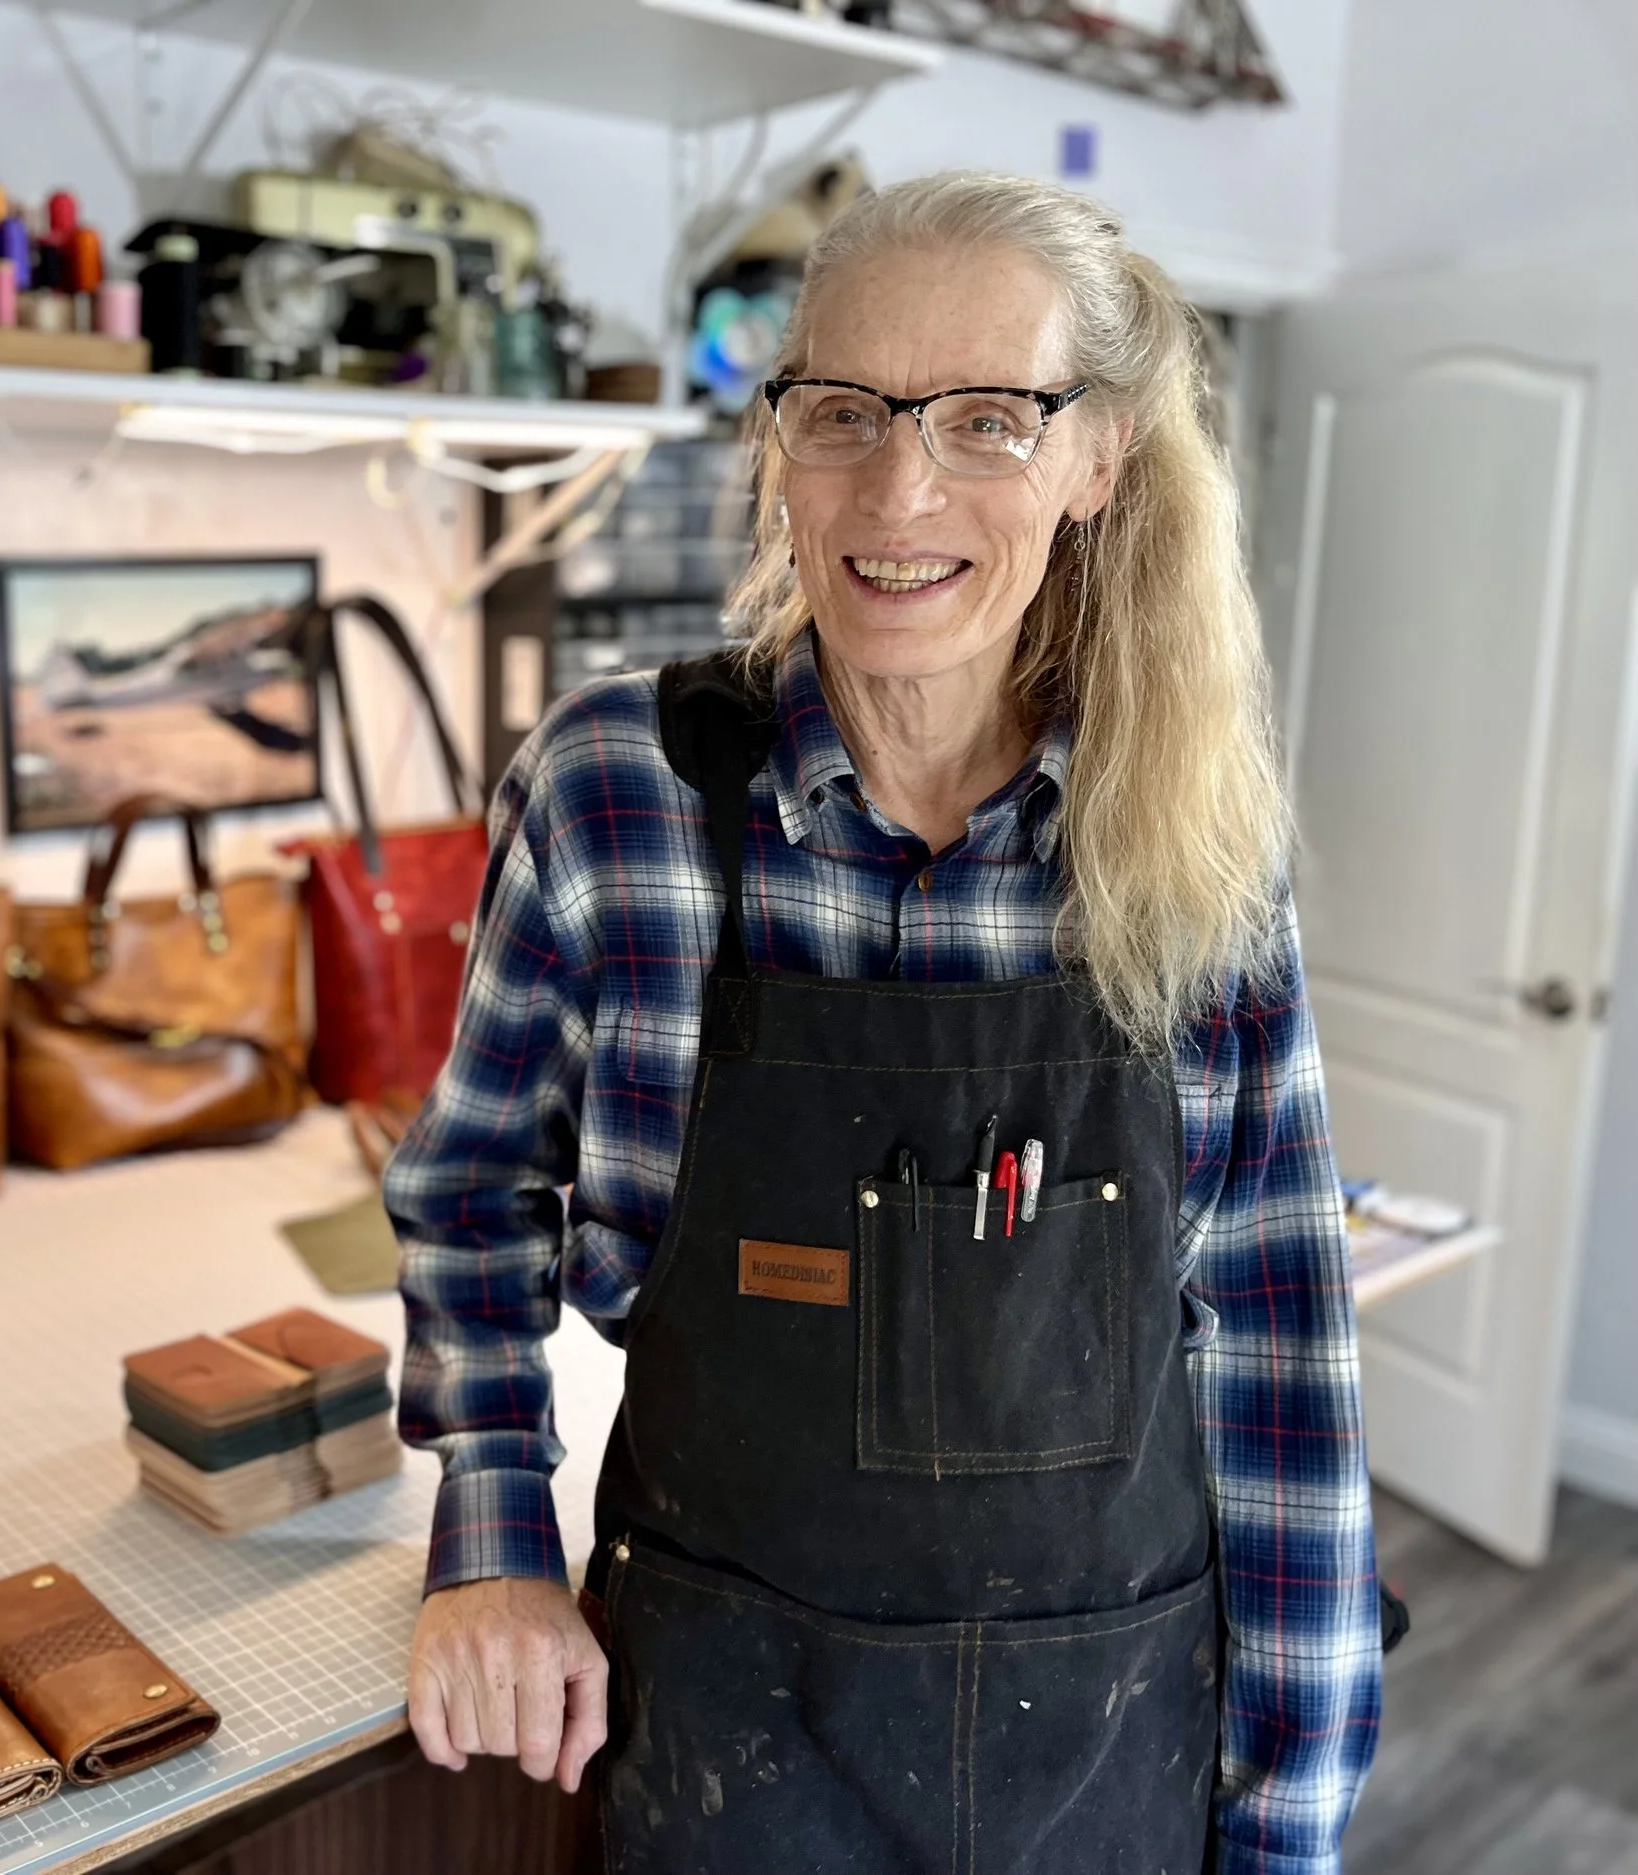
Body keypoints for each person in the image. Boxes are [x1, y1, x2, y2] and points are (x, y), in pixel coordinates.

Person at [386, 171, 1381, 1872]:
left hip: (1106, 1741)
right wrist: (492, 1535)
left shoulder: (1192, 851)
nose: (897, 489)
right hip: (723, 1731)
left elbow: (1278, 1352)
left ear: (1095, 461)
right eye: (842, 410)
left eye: (989, 419)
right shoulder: (616, 795)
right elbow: (473, 1194)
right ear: (779, 438)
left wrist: (1287, 1830)